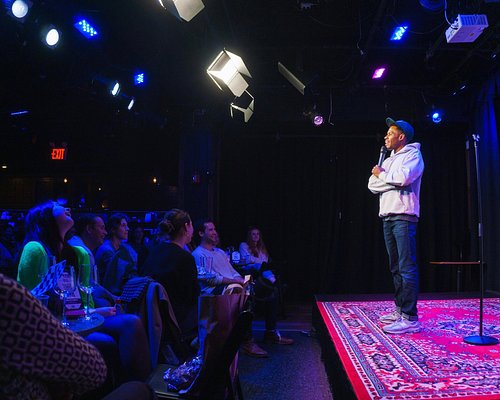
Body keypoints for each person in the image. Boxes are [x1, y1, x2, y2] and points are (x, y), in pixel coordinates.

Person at [16, 202, 151, 383]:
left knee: (132, 322)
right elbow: (28, 305)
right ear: (45, 216)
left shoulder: (78, 253)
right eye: (57, 206)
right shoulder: (34, 249)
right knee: (105, 342)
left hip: (79, 320)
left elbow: (86, 302)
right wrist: (93, 312)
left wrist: (91, 312)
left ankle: (144, 387)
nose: (67, 208)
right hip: (51, 326)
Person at [192, 220, 293, 358]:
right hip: (213, 291)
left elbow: (232, 270)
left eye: (214, 229)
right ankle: (246, 341)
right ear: (201, 233)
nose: (214, 232)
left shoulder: (220, 252)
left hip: (232, 285)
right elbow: (209, 278)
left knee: (271, 290)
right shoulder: (198, 254)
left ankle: (271, 332)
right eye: (210, 230)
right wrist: (236, 281)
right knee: (246, 295)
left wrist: (240, 279)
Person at [368, 117, 424, 334]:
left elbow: (403, 179)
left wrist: (382, 175)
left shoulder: (413, 155)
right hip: (388, 216)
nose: (386, 137)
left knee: (406, 267)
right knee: (395, 267)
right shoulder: (390, 159)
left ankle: (410, 318)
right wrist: (385, 177)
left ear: (402, 136)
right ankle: (400, 309)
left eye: (390, 133)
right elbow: (372, 185)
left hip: (403, 216)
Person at [141, 209, 200, 341]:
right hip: (175, 319)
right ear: (186, 227)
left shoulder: (155, 251)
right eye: (191, 225)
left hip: (151, 318)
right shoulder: (185, 258)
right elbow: (193, 297)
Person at [95, 213, 138, 295]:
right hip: (107, 295)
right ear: (113, 229)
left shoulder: (124, 247)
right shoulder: (106, 250)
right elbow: (113, 281)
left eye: (127, 225)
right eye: (123, 225)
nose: (127, 229)